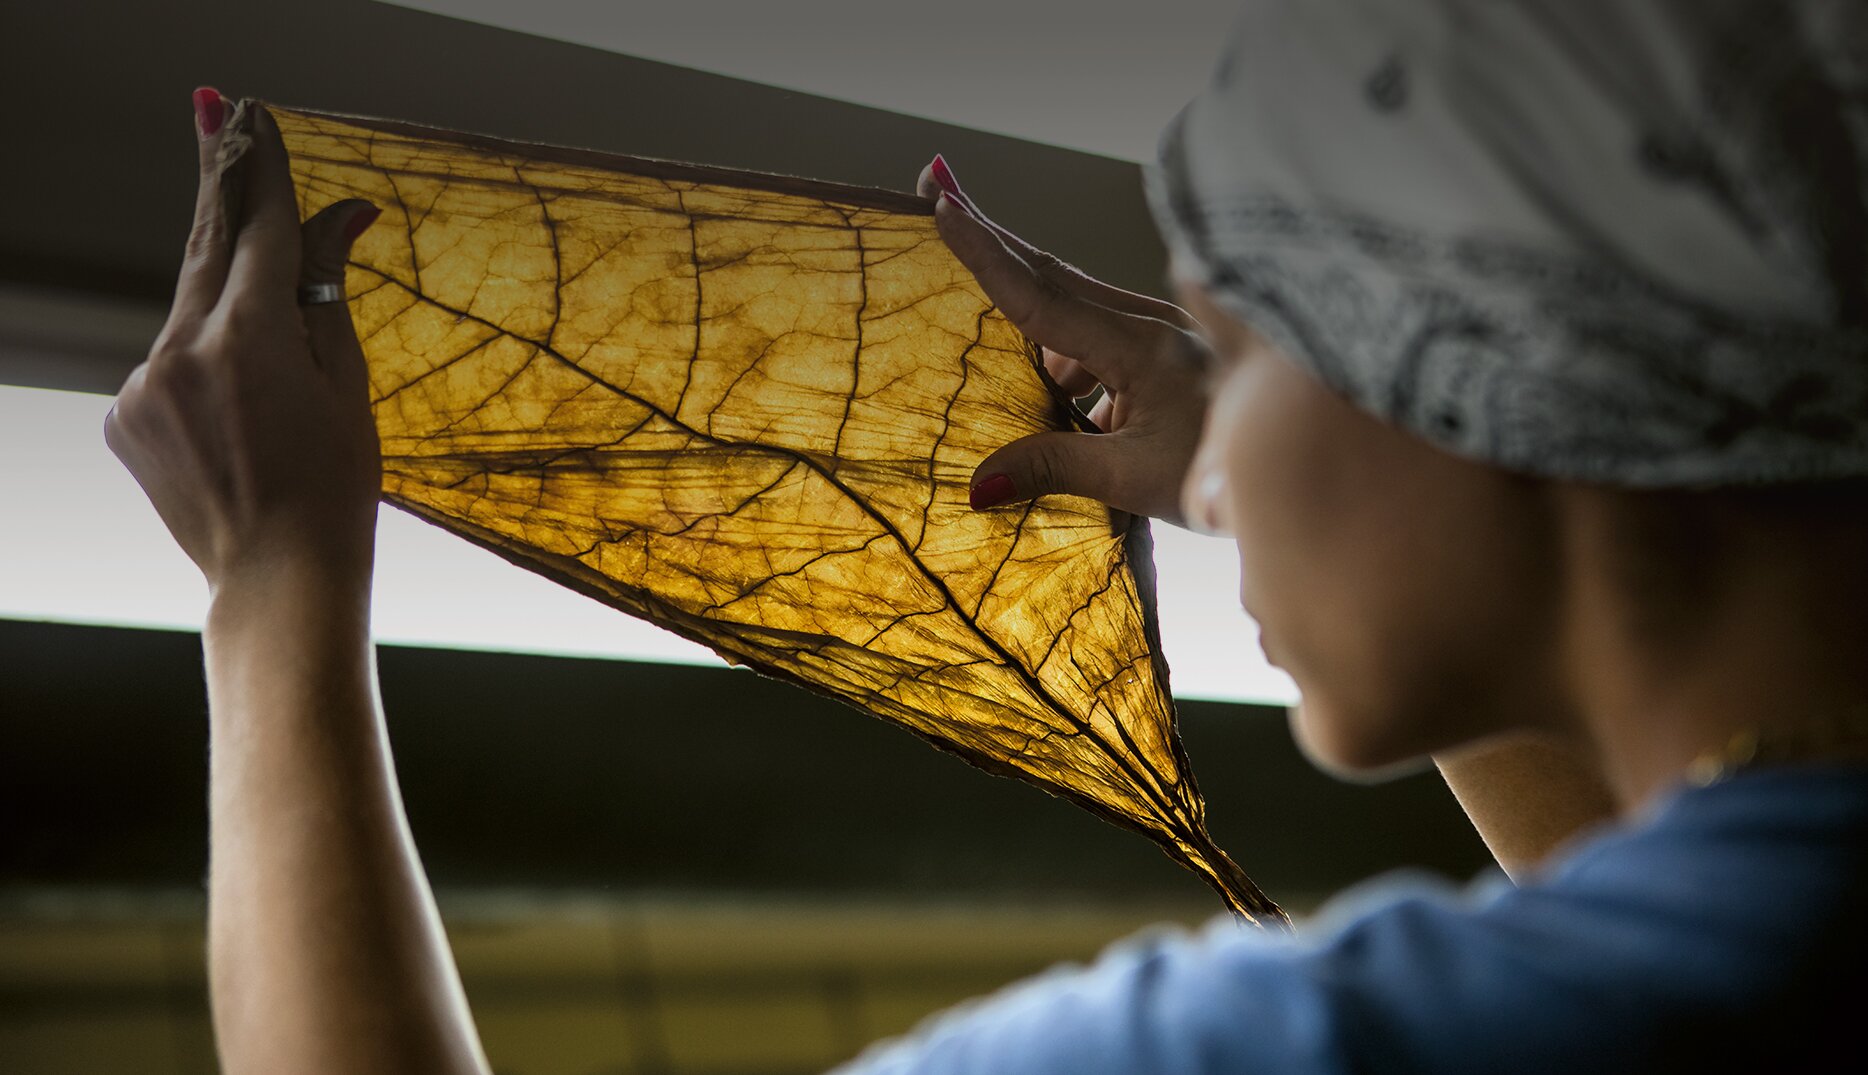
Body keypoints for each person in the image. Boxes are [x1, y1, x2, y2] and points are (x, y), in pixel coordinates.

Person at [105, 3, 1867, 1071]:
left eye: (1236, 346)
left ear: (1478, 374)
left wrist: (273, 601)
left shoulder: (1275, 1051)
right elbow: (1661, 937)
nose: (1206, 441)